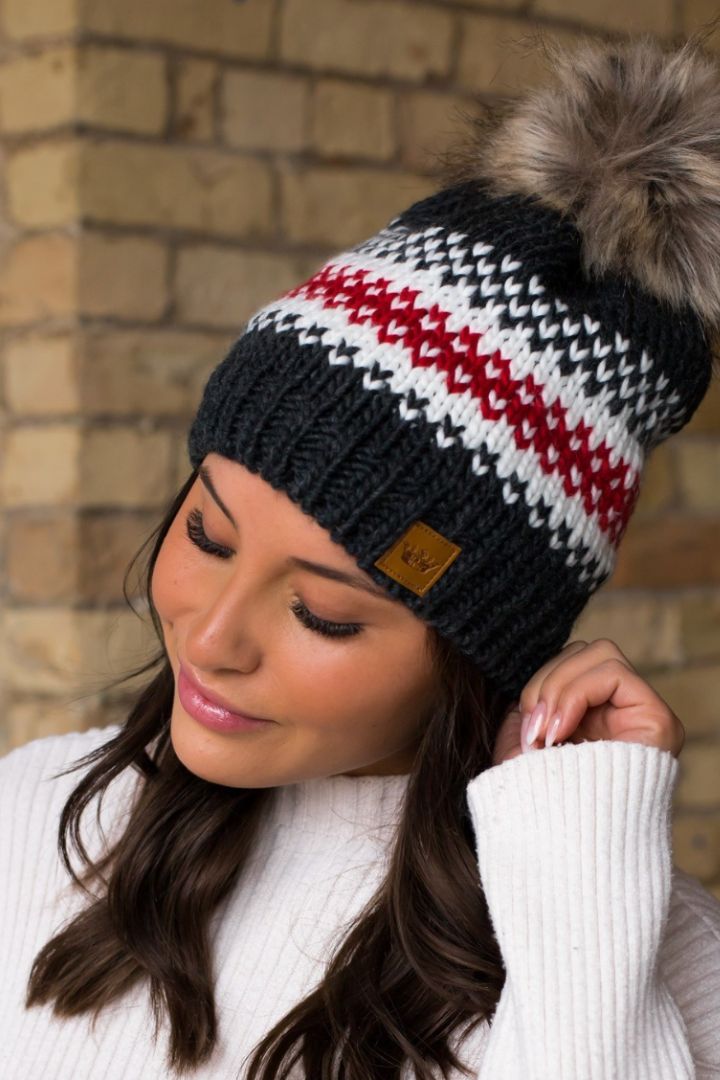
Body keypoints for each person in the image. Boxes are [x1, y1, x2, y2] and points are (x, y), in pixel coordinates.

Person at [1, 26, 720, 1080]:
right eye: (207, 532)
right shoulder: (38, 819)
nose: (210, 631)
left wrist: (578, 870)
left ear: (476, 644)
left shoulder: (651, 954)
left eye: (325, 613)